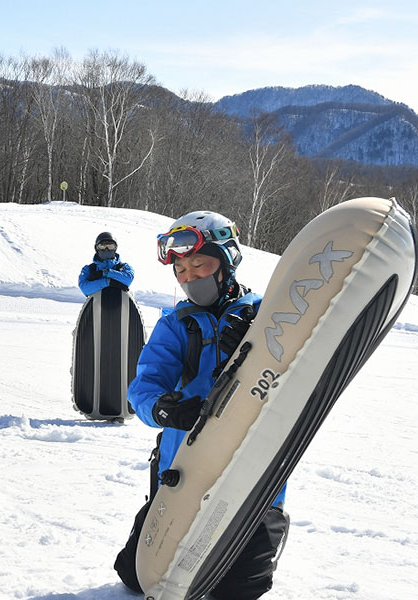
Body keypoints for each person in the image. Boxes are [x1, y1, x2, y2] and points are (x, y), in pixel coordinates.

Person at [113, 211, 290, 599]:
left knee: (239, 588)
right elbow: (144, 386)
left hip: (251, 469)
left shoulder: (266, 314)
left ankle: (264, 527)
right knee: (136, 574)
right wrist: (164, 408)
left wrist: (251, 347)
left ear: (226, 262)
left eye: (200, 265)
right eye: (182, 270)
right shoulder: (177, 324)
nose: (191, 277)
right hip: (185, 468)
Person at [77, 231, 135, 296]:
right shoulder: (89, 269)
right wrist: (108, 282)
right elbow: (85, 288)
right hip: (96, 305)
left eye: (110, 246)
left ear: (115, 248)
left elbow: (128, 280)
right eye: (102, 246)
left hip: (122, 304)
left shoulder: (123, 267)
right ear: (96, 248)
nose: (106, 249)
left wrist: (105, 273)